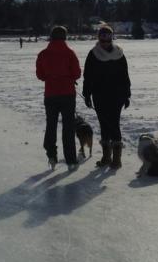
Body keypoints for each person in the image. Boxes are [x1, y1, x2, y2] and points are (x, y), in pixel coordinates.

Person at [81, 25, 130, 169]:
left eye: (108, 37)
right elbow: (88, 76)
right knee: (104, 125)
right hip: (100, 95)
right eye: (102, 37)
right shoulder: (93, 54)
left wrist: (127, 95)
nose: (105, 41)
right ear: (98, 38)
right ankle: (107, 158)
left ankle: (116, 160)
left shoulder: (119, 54)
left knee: (114, 124)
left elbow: (125, 75)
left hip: (117, 95)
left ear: (112, 37)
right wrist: (87, 94)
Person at [35, 25, 81, 170]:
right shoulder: (70, 53)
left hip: (51, 94)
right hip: (67, 94)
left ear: (51, 36)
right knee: (68, 127)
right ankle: (71, 159)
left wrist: (51, 77)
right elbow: (77, 74)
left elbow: (40, 75)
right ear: (65, 37)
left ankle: (51, 155)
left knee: (51, 125)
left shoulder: (43, 54)